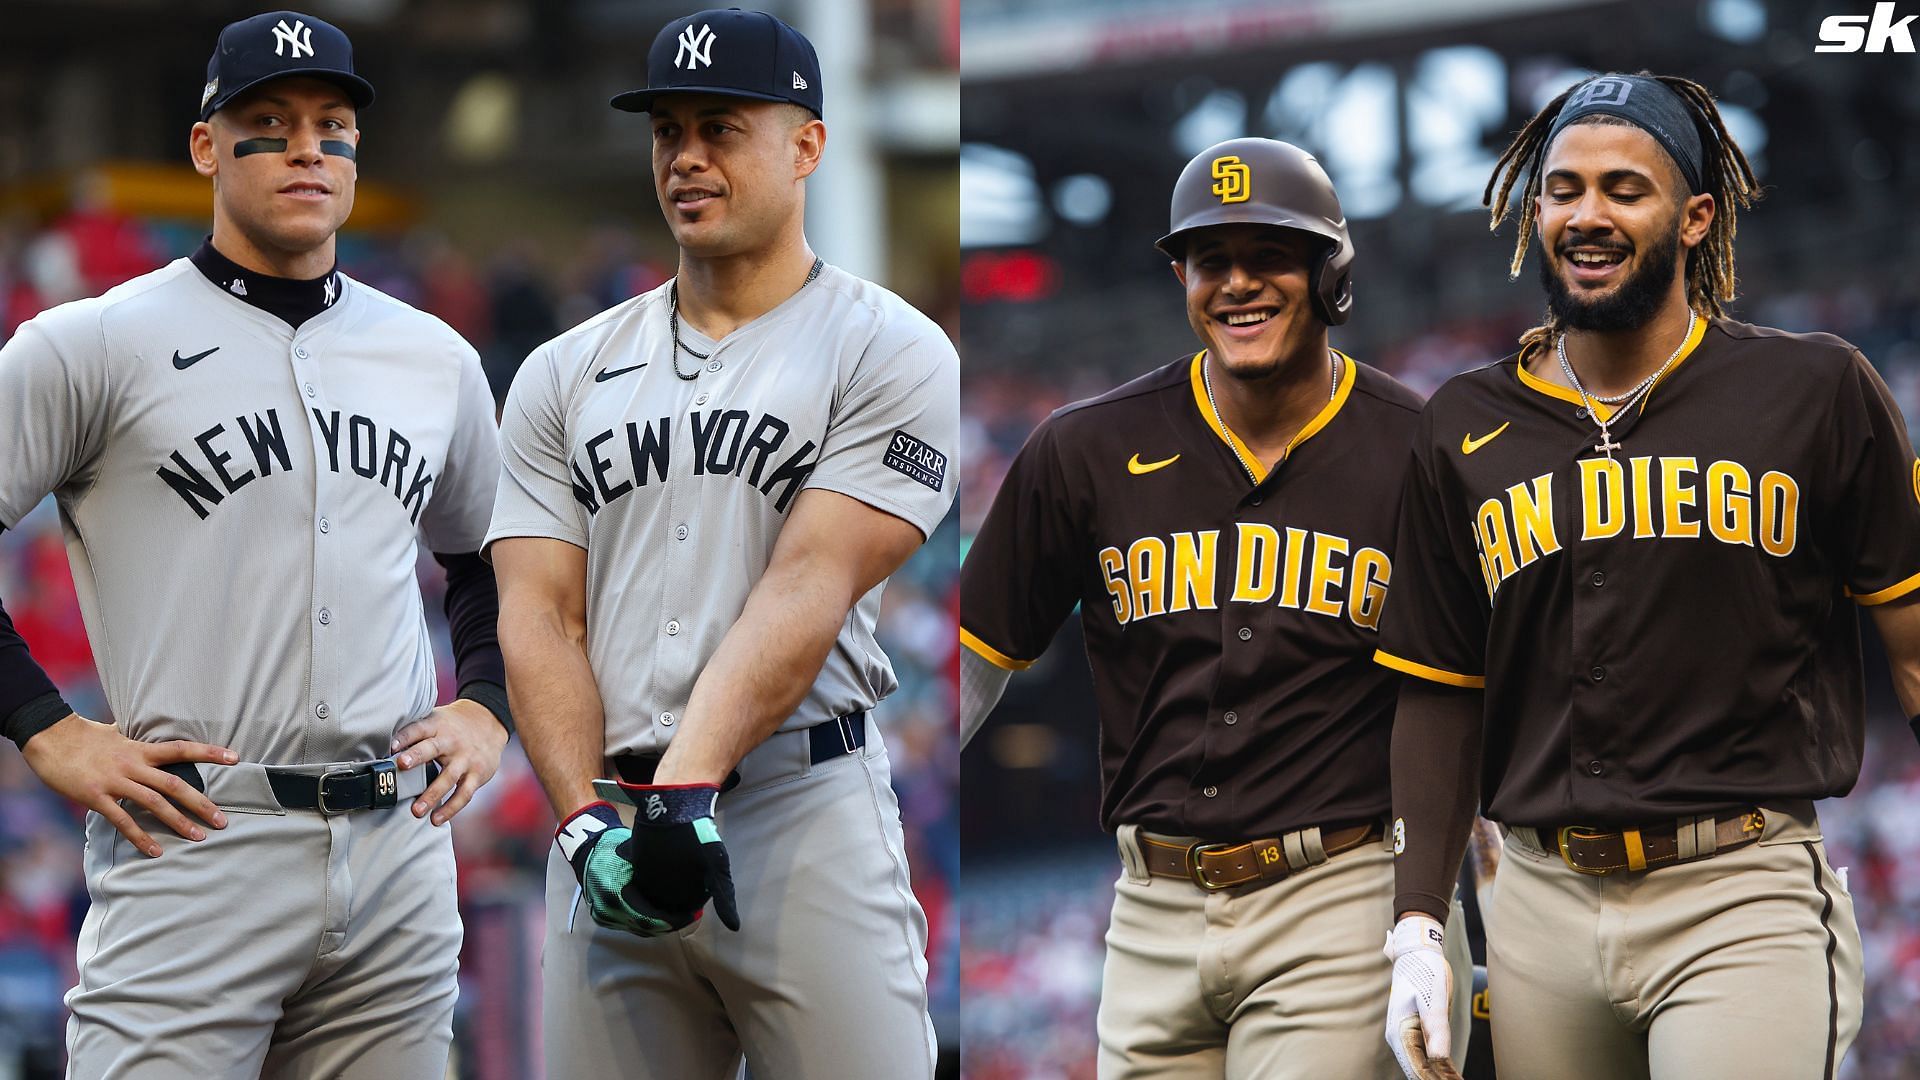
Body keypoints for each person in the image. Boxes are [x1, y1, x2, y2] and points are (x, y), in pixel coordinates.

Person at [1375, 71, 1920, 1080]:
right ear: (1534, 210)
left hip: (1739, 887)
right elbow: (1439, 697)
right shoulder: (1460, 423)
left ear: (1697, 215)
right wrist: (1415, 927)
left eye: (1625, 189)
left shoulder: (1816, 388)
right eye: (1564, 189)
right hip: (1537, 907)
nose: (1588, 214)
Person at [0, 11, 510, 1077]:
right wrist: (46, 729)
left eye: (331, 127)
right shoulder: (92, 343)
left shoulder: (433, 358)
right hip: (195, 844)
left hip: (396, 855)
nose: (305, 149)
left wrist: (486, 703)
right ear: (205, 149)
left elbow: (486, 559)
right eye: (268, 125)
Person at [486, 9, 957, 1078]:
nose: (686, 157)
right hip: (608, 821)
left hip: (799, 808)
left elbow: (810, 581)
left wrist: (689, 788)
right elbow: (537, 612)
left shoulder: (890, 347)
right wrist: (577, 824)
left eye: (721, 128)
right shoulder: (562, 371)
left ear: (807, 146)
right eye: (668, 131)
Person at [960, 137, 1470, 1079]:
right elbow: (974, 661)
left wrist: (1427, 923)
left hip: (1337, 892)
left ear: (1331, 274)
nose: (1237, 283)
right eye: (1209, 261)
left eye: (1269, 255)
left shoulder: (1421, 452)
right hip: (1149, 910)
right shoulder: (1084, 450)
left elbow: (1469, 699)